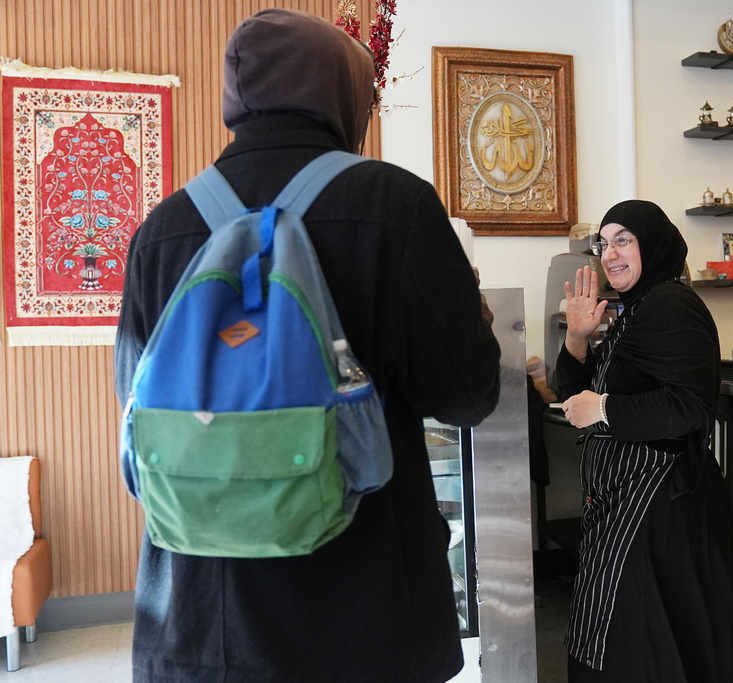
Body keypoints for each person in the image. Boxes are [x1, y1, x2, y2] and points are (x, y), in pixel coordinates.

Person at [113, 9, 501, 682]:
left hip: (196, 616)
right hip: (364, 614)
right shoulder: (396, 205)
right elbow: (468, 395)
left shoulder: (163, 229)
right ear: (341, 94)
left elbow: (137, 407)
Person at [557, 200, 733, 682]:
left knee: (643, 648)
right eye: (604, 242)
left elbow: (690, 405)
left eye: (624, 239)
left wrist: (602, 409)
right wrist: (577, 340)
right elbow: (575, 397)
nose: (610, 252)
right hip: (627, 504)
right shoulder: (636, 309)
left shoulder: (670, 305)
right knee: (619, 640)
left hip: (661, 509)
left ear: (653, 243)